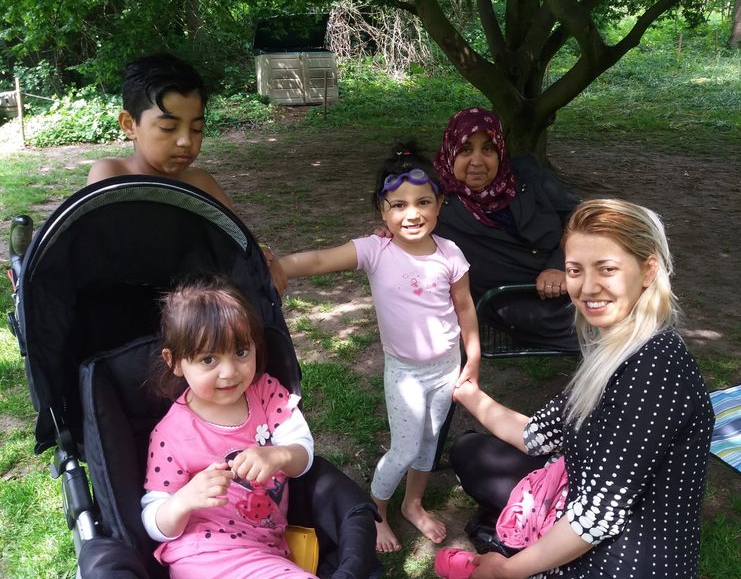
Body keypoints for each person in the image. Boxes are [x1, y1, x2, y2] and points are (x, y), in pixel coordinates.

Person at [445, 199, 715, 578]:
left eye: (607, 269)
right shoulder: (615, 348)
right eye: (575, 270)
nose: (587, 288)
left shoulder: (655, 368)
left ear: (648, 270)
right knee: (470, 451)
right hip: (579, 503)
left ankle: (518, 545)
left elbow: (598, 516)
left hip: (620, 561)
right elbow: (536, 435)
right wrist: (467, 391)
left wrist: (504, 571)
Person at [277, 144, 480, 553]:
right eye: (399, 205)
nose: (412, 214)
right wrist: (277, 266)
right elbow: (319, 260)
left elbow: (465, 307)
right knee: (405, 447)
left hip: (446, 366)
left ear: (440, 203)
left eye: (423, 202)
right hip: (405, 372)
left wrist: (472, 357)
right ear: (381, 210)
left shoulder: (450, 254)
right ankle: (377, 512)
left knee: (429, 442)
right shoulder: (376, 250)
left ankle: (413, 503)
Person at [140, 273, 316, 578]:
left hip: (264, 549)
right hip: (203, 553)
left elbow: (303, 452)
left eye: (241, 352)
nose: (230, 372)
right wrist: (183, 500)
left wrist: (279, 455)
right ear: (175, 361)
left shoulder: (265, 393)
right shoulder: (171, 434)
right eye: (209, 360)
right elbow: (153, 519)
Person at [86, 52, 287, 292]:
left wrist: (262, 254)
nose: (185, 141)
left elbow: (241, 239)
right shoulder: (111, 175)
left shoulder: (201, 183)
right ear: (129, 125)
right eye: (168, 127)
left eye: (196, 129)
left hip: (196, 307)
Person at [433, 106, 579, 352]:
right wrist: (386, 235)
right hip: (523, 306)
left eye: (488, 148)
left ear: (500, 150)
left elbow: (579, 217)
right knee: (619, 338)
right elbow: (406, 224)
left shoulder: (526, 173)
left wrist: (560, 264)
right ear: (451, 151)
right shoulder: (437, 205)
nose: (477, 161)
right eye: (465, 149)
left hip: (580, 277)